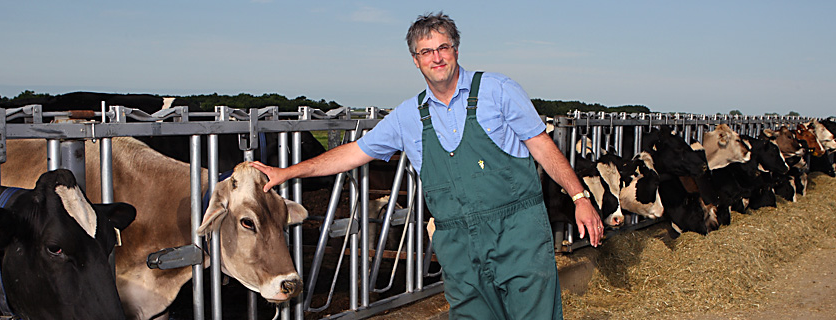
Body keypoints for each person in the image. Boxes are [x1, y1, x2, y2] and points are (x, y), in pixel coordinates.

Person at [250, 12, 602, 320]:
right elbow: (354, 152)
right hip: (458, 243)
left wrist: (579, 197)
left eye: (443, 47)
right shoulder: (407, 116)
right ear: (415, 60)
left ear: (456, 50)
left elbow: (542, 145)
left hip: (517, 233)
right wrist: (288, 172)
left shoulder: (498, 90)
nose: (437, 57)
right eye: (426, 51)